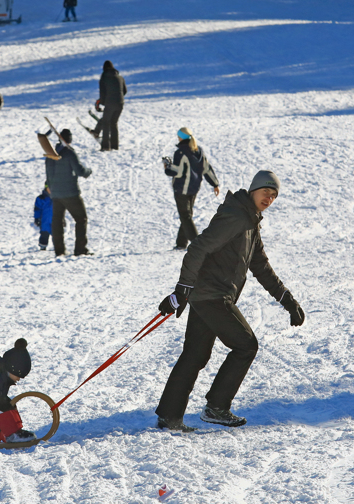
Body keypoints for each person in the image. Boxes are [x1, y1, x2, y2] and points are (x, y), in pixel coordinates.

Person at [154, 170, 304, 432]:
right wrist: (182, 289)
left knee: (195, 355)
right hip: (212, 295)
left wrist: (287, 301)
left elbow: (262, 268)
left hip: (206, 295)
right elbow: (198, 248)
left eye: (273, 196)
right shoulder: (236, 217)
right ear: (253, 190)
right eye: (265, 193)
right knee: (246, 345)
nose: (269, 199)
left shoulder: (250, 223)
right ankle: (216, 407)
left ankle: (170, 415)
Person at [163, 128, 220, 250]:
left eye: (179, 135)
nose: (177, 137)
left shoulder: (180, 153)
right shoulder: (198, 150)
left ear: (182, 137)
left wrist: (167, 167)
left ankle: (198, 244)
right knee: (187, 216)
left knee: (185, 216)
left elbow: (177, 172)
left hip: (182, 189)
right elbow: (206, 169)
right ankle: (181, 243)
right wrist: (215, 183)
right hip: (194, 188)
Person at [44, 129, 93, 256]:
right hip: (70, 193)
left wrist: (50, 188)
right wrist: (89, 171)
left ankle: (59, 251)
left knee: (57, 222)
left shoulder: (50, 153)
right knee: (81, 219)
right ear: (69, 139)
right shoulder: (70, 153)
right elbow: (80, 171)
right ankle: (80, 249)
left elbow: (48, 174)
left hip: (55, 194)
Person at [97, 60, 127, 151]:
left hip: (110, 103)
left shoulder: (104, 77)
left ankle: (106, 146)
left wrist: (101, 103)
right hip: (120, 103)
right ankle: (115, 146)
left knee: (106, 123)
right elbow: (125, 91)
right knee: (114, 123)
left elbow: (102, 93)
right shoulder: (120, 77)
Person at [33, 183, 53, 251]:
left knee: (57, 234)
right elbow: (37, 209)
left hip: (55, 220)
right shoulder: (41, 198)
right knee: (44, 233)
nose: (50, 190)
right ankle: (42, 246)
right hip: (44, 220)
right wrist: (37, 218)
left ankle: (58, 247)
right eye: (49, 188)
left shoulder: (57, 198)